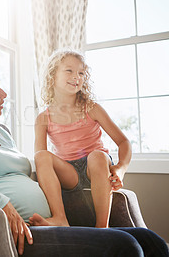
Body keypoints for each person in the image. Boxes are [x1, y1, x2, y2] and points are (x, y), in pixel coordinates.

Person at [0, 64, 168, 256]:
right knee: (127, 247)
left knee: (150, 241)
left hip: (54, 222)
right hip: (25, 231)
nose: (4, 93)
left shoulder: (0, 132)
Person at [31, 49, 130, 228]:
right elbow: (42, 161)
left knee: (97, 156)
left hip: (97, 167)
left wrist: (120, 169)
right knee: (41, 156)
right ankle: (60, 217)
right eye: (69, 70)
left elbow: (123, 142)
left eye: (81, 73)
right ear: (52, 76)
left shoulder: (92, 108)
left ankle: (102, 227)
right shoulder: (43, 119)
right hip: (69, 172)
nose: (76, 76)